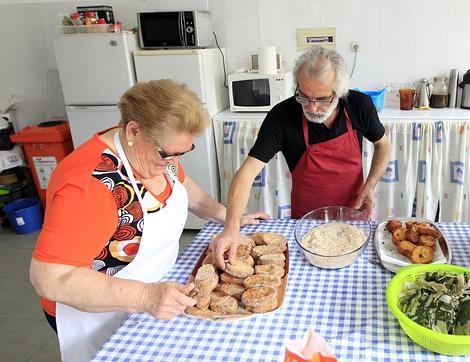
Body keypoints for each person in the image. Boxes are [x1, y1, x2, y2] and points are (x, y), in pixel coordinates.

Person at [29, 80, 269, 361]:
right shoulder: (89, 184)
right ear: (134, 130)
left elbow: (188, 192)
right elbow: (50, 278)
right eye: (170, 154)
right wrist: (144, 297)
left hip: (157, 292)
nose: (174, 162)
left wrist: (229, 217)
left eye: (184, 152)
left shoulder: (153, 152)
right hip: (99, 314)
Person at [211, 45, 391, 268]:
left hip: (353, 214)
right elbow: (246, 174)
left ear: (339, 91)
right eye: (304, 96)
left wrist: (369, 186)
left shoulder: (359, 106)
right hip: (308, 222)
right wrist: (231, 227)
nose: (312, 107)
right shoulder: (282, 117)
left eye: (323, 99)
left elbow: (383, 146)